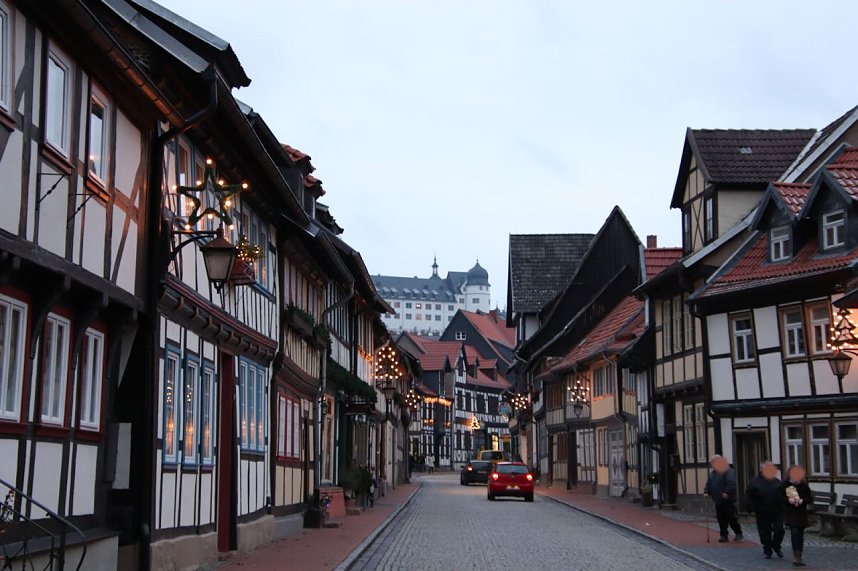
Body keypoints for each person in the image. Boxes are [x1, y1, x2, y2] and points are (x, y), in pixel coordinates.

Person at [745, 461, 784, 559]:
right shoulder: (755, 482)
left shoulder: (776, 481)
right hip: (762, 510)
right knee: (764, 531)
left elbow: (785, 491)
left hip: (777, 510)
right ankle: (767, 549)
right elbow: (749, 495)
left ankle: (776, 545)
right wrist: (750, 508)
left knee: (779, 529)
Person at [703, 455, 743, 542]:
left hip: (728, 500)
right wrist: (706, 492)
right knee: (721, 519)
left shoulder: (728, 470)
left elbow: (731, 482)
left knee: (731, 517)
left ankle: (738, 533)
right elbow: (709, 484)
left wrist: (727, 492)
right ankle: (724, 535)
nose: (712, 465)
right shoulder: (713, 474)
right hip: (718, 500)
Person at [782, 465, 813, 567]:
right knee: (794, 533)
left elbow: (810, 498)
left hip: (801, 512)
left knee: (800, 534)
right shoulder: (786, 485)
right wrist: (788, 500)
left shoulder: (803, 485)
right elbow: (780, 497)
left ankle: (799, 554)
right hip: (791, 512)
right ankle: (796, 555)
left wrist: (802, 501)